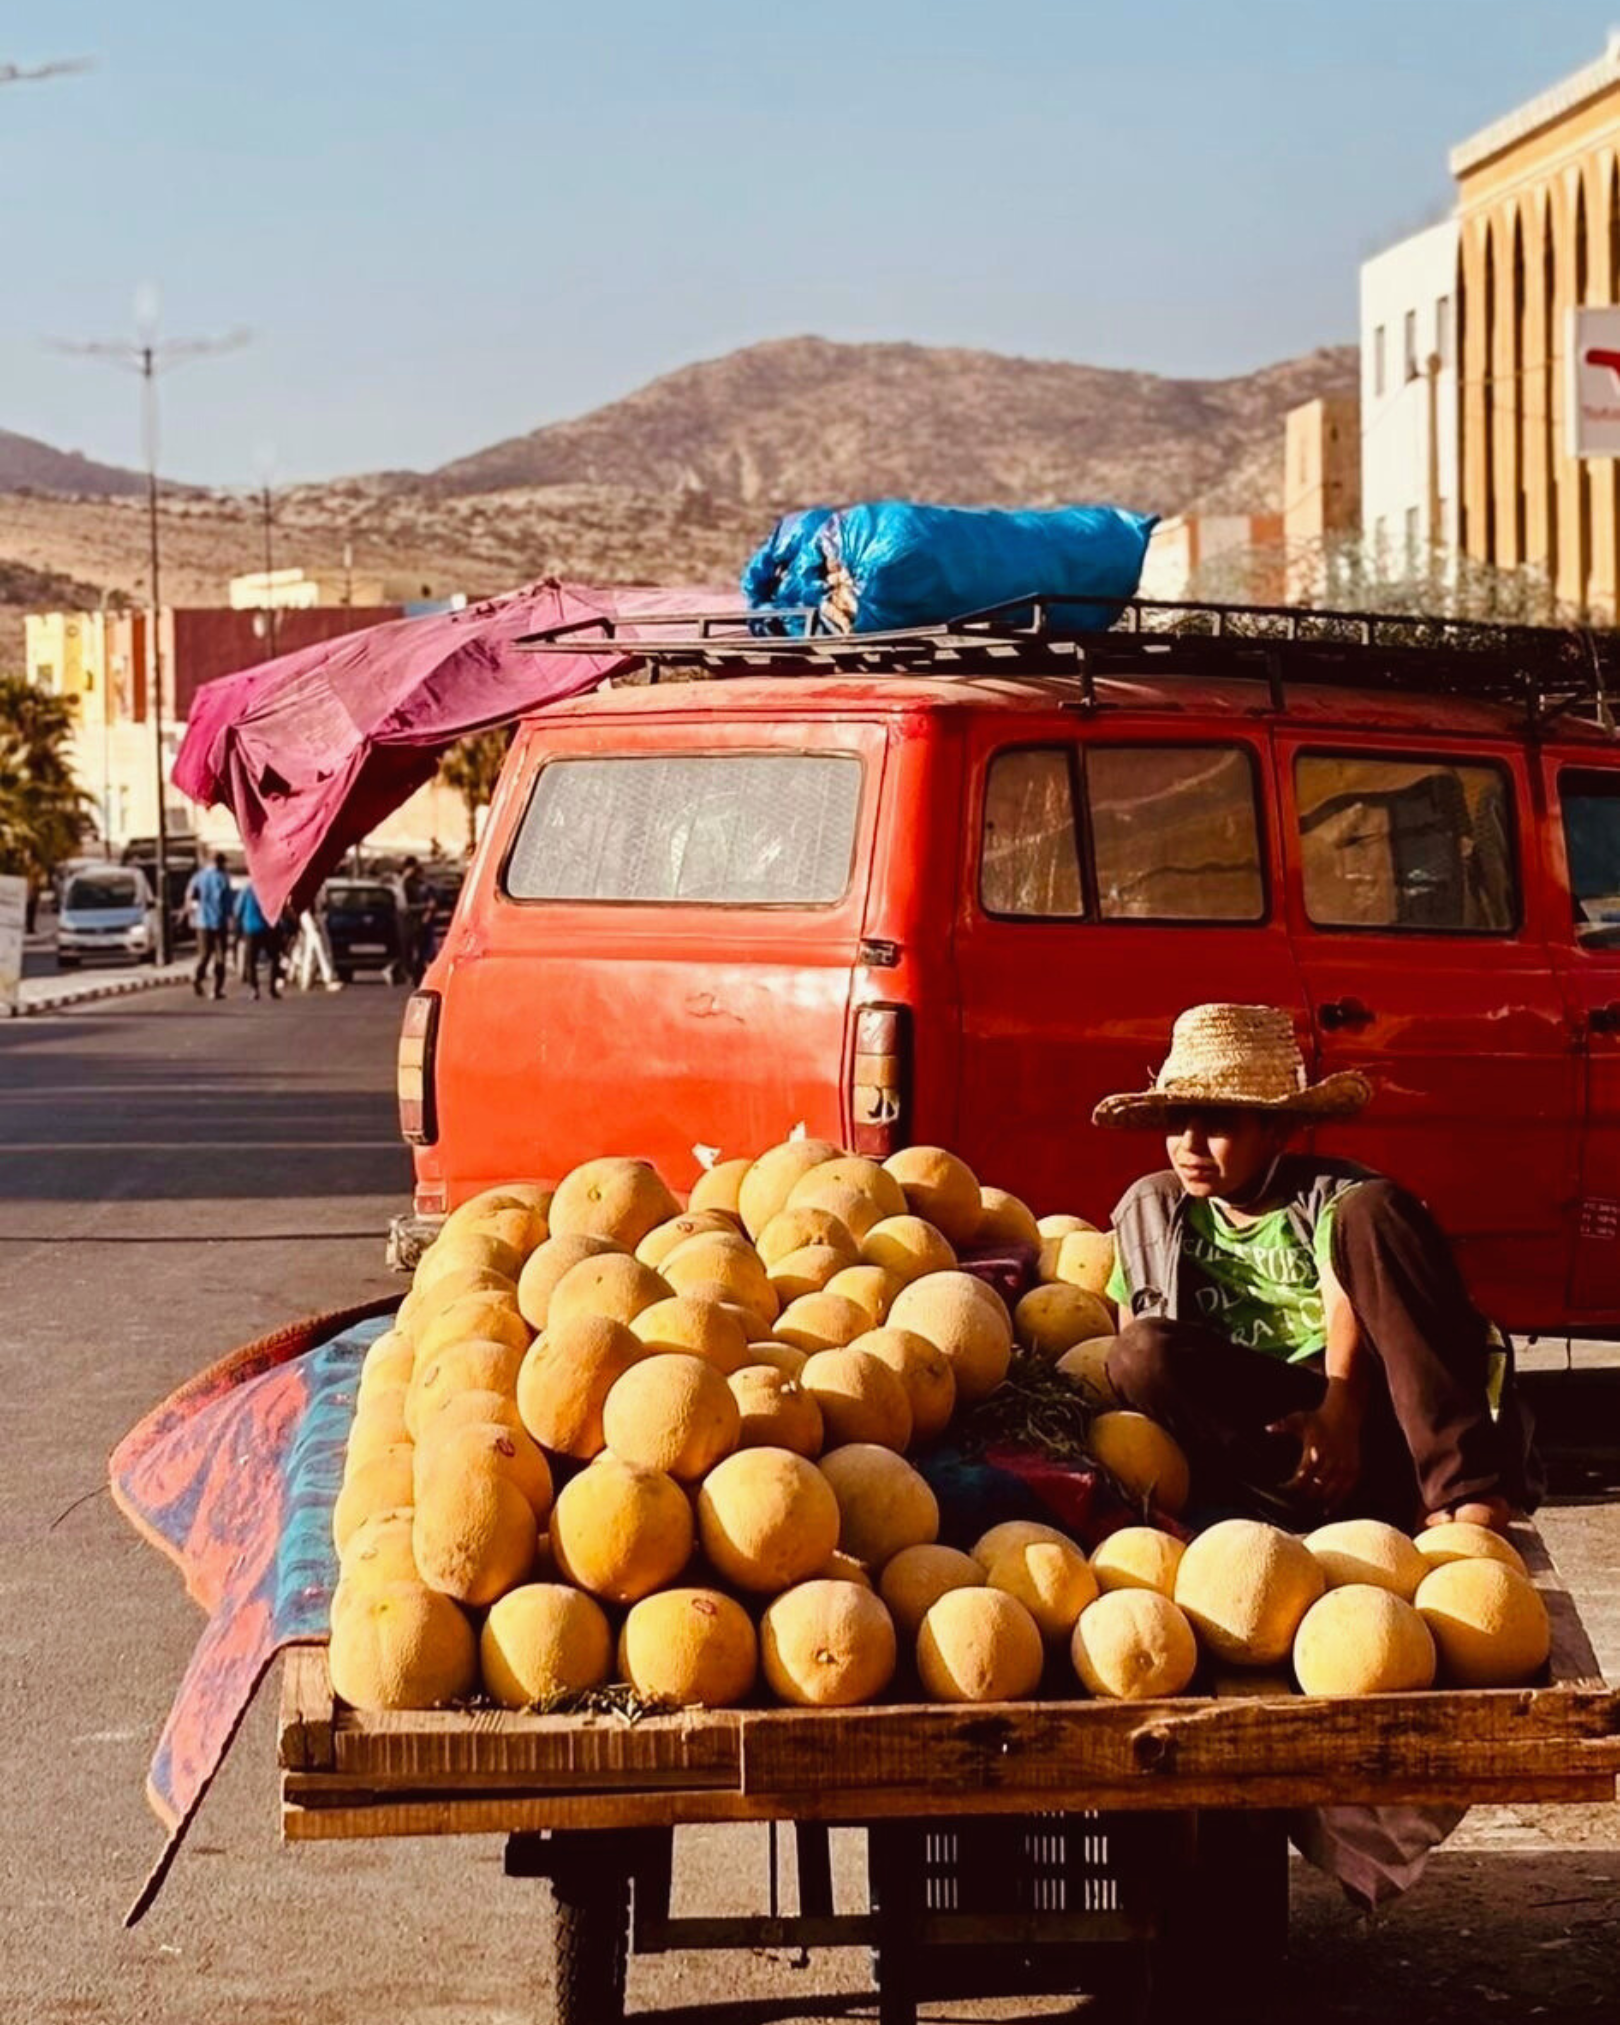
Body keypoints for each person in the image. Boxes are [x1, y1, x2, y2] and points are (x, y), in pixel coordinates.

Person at [1094, 1002, 1531, 1535]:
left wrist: (1339, 1415)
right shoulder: (1152, 1209)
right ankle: (1275, 1507)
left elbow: (1342, 1296)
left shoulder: (1335, 1200)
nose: (1190, 1146)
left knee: (1378, 1208)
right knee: (1138, 1352)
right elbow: (1135, 1338)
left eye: (1219, 1124)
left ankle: (1459, 1491)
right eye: (1178, 1122)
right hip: (1260, 1447)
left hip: (1363, 1421)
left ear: (1277, 1131)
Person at [186, 852, 234, 1000]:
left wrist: (192, 913)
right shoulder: (222, 878)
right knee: (220, 957)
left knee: (204, 954)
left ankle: (197, 976)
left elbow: (189, 896)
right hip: (219, 922)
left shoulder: (199, 877)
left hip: (202, 921)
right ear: (220, 863)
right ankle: (216, 989)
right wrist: (230, 918)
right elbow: (227, 901)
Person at [235, 880, 282, 1001]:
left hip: (251, 929)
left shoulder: (247, 890)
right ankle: (272, 988)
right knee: (274, 958)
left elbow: (237, 909)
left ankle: (254, 989)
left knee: (250, 961)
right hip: (267, 928)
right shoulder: (270, 888)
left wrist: (238, 929)